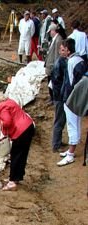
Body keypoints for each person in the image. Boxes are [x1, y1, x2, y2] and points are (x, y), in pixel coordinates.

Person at [0, 88, 35, 191]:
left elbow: (7, 122)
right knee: (22, 155)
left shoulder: (2, 107)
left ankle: (12, 182)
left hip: (21, 132)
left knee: (16, 156)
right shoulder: (8, 101)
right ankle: (16, 177)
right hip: (28, 127)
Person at [57, 38, 87, 166]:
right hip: (77, 98)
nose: (60, 52)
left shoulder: (72, 63)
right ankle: (72, 148)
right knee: (76, 123)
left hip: (72, 99)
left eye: (63, 50)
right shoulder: (80, 60)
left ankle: (70, 154)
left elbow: (72, 83)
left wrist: (68, 99)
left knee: (72, 125)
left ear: (68, 51)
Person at [51, 43, 67, 152]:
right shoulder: (60, 63)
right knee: (59, 120)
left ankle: (58, 142)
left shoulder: (61, 62)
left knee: (60, 119)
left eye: (63, 50)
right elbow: (58, 82)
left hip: (58, 95)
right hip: (59, 96)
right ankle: (56, 145)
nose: (62, 52)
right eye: (61, 50)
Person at [45, 24, 63, 104]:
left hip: (53, 65)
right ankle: (51, 97)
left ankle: (54, 98)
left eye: (50, 32)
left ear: (53, 31)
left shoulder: (58, 40)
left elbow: (57, 55)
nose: (49, 33)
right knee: (50, 82)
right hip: (50, 64)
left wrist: (55, 67)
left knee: (53, 83)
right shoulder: (54, 39)